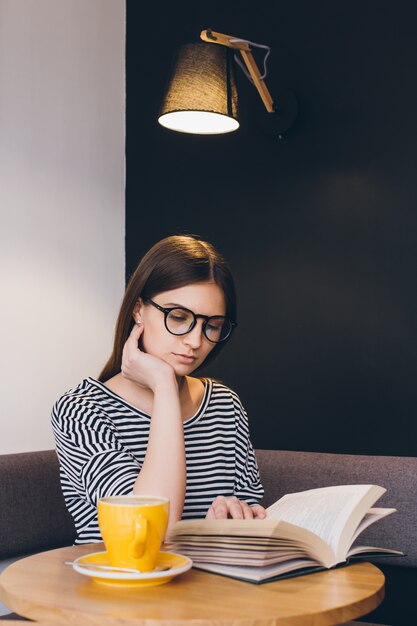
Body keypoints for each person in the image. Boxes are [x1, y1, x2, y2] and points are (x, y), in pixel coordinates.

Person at [51, 234, 265, 544]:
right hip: (121, 588)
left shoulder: (224, 404)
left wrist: (233, 516)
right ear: (138, 309)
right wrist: (164, 387)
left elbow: (252, 513)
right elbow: (150, 530)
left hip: (211, 587)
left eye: (212, 325)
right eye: (179, 317)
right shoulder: (80, 412)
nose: (195, 341)